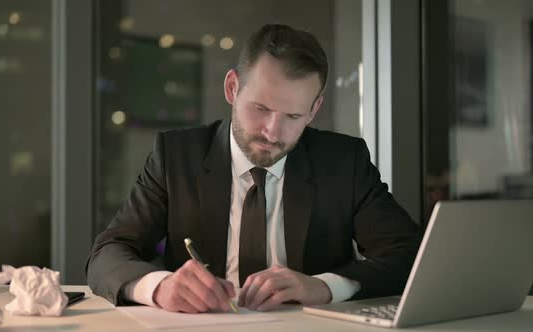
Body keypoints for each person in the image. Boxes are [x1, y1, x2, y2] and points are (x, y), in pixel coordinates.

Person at [86, 24, 422, 313]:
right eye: (261, 108)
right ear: (232, 88)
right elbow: (108, 255)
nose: (272, 132)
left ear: (315, 108)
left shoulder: (343, 161)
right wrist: (159, 287)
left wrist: (324, 287)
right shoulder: (176, 156)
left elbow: (409, 256)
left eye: (293, 116)